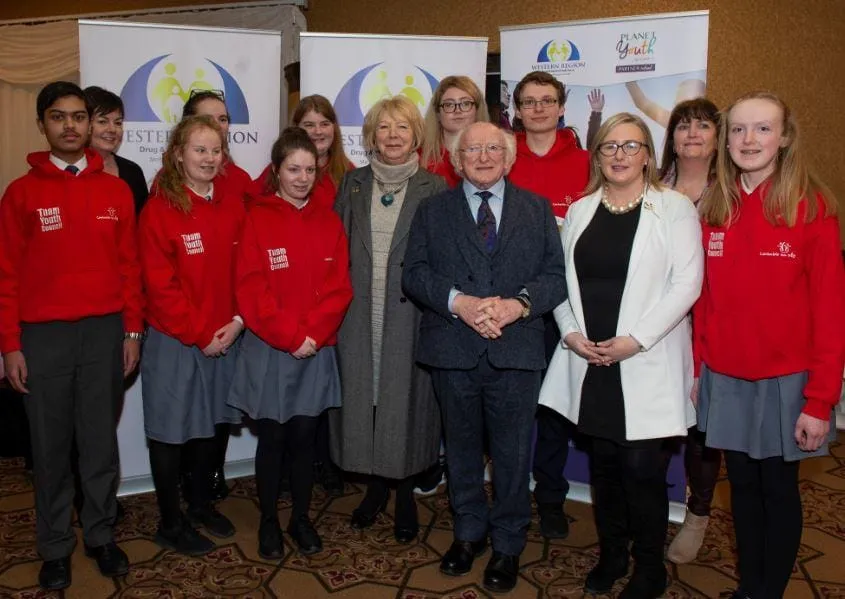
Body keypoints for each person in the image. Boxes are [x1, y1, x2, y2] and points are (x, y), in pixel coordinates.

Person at [539, 112, 703, 598]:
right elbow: (560, 284)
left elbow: (687, 284)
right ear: (598, 156)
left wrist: (636, 340)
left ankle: (649, 566)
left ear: (649, 155)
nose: (619, 155)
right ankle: (611, 554)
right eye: (609, 147)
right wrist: (569, 334)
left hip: (643, 360)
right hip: (590, 362)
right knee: (604, 468)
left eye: (631, 146)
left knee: (641, 471)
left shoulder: (673, 208)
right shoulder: (582, 210)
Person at [402, 121, 566, 593]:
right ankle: (468, 532)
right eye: (473, 149)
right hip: (454, 350)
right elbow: (414, 274)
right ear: (457, 160)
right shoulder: (432, 211)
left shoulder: (536, 211)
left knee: (514, 455)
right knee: (461, 450)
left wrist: (517, 306)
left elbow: (555, 276)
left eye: (494, 148)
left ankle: (509, 543)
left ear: (510, 158)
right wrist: (461, 303)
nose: (484, 156)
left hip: (516, 352)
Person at [695, 91, 845, 599]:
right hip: (725, 376)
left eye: (762, 128)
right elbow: (706, 303)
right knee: (740, 490)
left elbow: (830, 312)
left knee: (778, 492)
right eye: (738, 129)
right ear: (726, 140)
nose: (749, 139)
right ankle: (749, 586)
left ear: (784, 137)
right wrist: (699, 372)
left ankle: (769, 592)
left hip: (788, 383)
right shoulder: (716, 205)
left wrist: (820, 400)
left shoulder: (812, 206)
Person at [0, 81, 144, 591]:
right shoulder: (21, 193)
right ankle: (55, 544)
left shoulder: (116, 189)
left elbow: (131, 267)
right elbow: (6, 274)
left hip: (106, 333)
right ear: (44, 124)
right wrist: (10, 344)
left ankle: (102, 534)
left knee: (100, 443)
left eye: (79, 116)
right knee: (51, 446)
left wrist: (132, 330)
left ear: (89, 124)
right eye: (59, 117)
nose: (71, 126)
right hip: (43, 339)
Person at [227, 127, 352, 558]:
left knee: (305, 441)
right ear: (276, 170)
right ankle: (267, 523)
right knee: (274, 441)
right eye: (293, 169)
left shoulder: (329, 220)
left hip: (315, 349)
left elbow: (340, 288)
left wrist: (313, 335)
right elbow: (250, 289)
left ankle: (301, 519)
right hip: (271, 349)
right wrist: (291, 336)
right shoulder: (257, 218)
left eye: (310, 169)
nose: (302, 177)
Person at [331, 95, 447, 544]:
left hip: (411, 317)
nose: (394, 136)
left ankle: (402, 492)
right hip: (359, 316)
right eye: (384, 128)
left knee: (407, 404)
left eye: (402, 127)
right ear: (371, 136)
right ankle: (374, 486)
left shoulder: (434, 189)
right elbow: (335, 251)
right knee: (369, 397)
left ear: (417, 135)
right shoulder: (352, 185)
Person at [138, 114, 245, 556]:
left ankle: (200, 505)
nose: (208, 157)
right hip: (177, 341)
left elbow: (248, 271)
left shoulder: (233, 204)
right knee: (171, 433)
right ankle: (169, 520)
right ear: (178, 154)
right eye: (199, 149)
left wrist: (238, 322)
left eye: (215, 149)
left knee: (211, 427)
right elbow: (161, 289)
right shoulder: (159, 210)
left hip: (227, 336)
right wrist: (201, 334)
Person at [506, 70, 589, 540]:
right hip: (514, 308)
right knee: (513, 411)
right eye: (529, 101)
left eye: (548, 100)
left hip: (568, 307)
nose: (538, 109)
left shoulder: (585, 163)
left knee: (557, 410)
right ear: (516, 110)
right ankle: (511, 492)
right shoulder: (503, 157)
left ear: (562, 107)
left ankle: (552, 496)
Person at [657, 98, 723, 565]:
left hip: (715, 320)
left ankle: (697, 513)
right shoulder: (655, 189)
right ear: (671, 138)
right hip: (662, 321)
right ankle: (653, 502)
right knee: (662, 417)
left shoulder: (733, 191)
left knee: (703, 424)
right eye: (683, 126)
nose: (692, 133)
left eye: (702, 125)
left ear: (717, 136)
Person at [179, 89, 251, 500]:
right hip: (191, 323)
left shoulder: (240, 181)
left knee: (225, 406)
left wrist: (239, 319)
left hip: (233, 322)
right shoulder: (168, 187)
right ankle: (191, 479)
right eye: (207, 119)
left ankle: (213, 474)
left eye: (223, 120)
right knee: (191, 411)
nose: (217, 126)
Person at [84, 86, 149, 214]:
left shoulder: (132, 171)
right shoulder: (72, 170)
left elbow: (143, 223)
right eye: (103, 122)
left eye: (118, 123)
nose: (112, 129)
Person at [420, 75, 489, 188]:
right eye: (449, 105)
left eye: (465, 104)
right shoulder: (419, 156)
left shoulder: (494, 155)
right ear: (438, 113)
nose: (457, 111)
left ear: (477, 110)